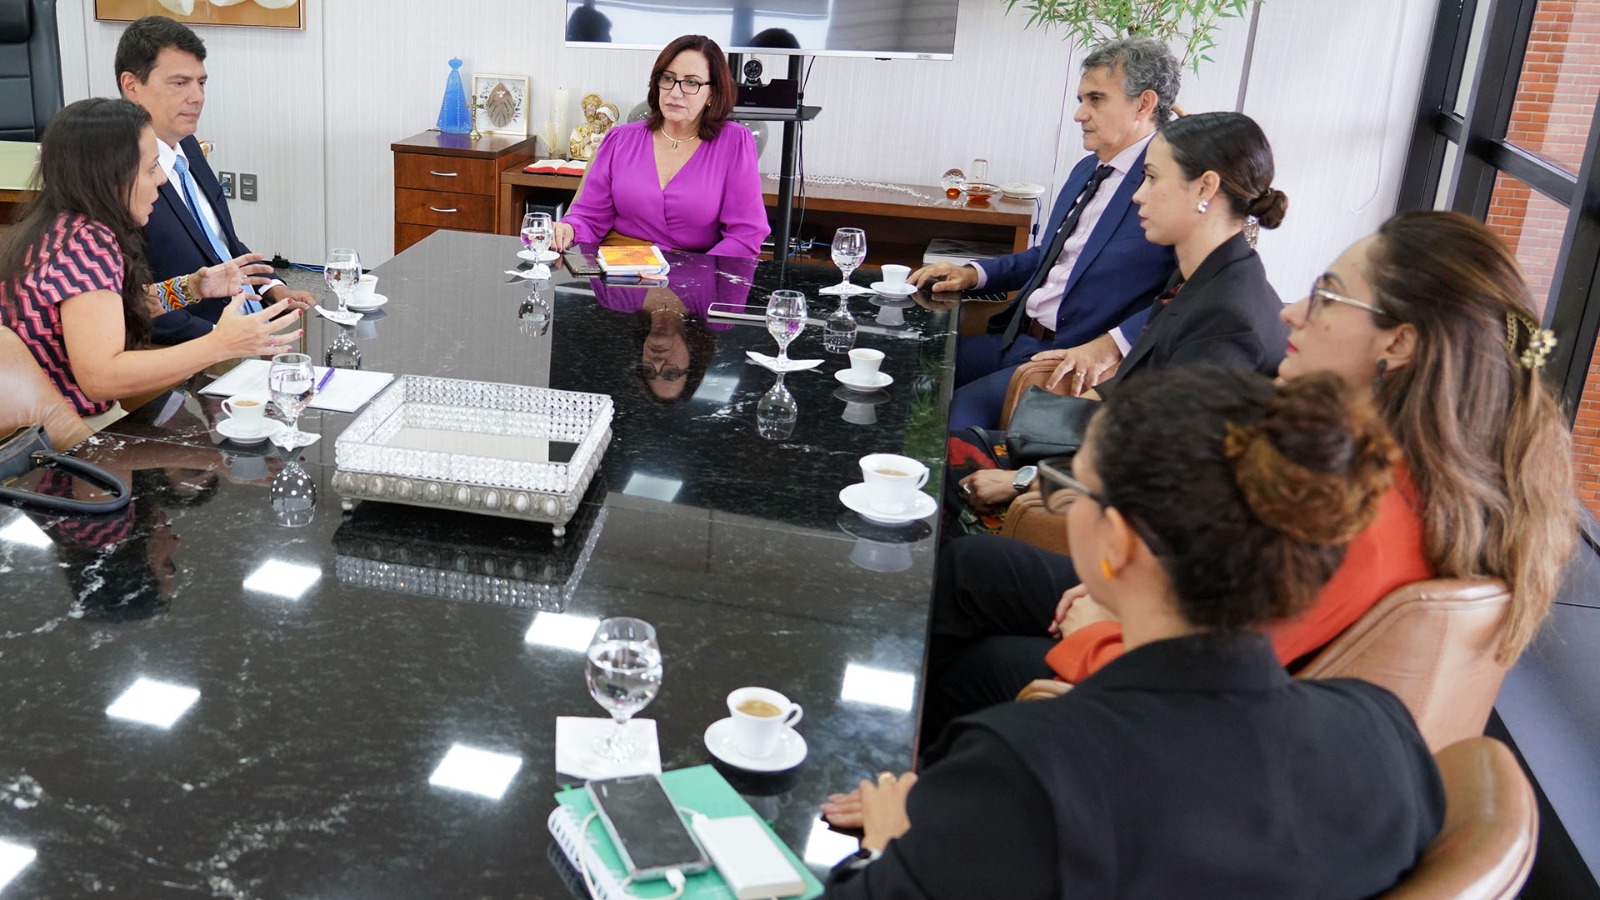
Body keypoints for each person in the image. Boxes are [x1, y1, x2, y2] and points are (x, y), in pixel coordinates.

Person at [924, 210, 1575, 736]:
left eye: (1327, 296)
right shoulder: (1408, 469)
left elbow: (1219, 677)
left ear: (1397, 343)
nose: (1291, 311)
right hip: (1183, 632)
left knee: (974, 659)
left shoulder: (1364, 511)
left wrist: (1101, 626)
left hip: (1171, 702)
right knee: (972, 571)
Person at [821, 365, 1444, 898]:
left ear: (1116, 542)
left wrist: (890, 841)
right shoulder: (1384, 733)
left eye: (1074, 487)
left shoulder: (1030, 770)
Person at [956, 110, 1289, 513]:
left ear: (1205, 187)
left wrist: (1026, 478)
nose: (1137, 195)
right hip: (1108, 451)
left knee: (955, 504)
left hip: (1143, 525)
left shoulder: (1229, 317)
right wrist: (1060, 415)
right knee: (956, 447)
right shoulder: (1205, 275)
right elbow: (1146, 386)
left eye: (1152, 178)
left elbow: (1171, 460)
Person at [913, 37, 1180, 431]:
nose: (1079, 114)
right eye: (1080, 99)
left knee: (952, 424)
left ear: (1144, 104)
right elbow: (1048, 257)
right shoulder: (1087, 170)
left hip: (1068, 363)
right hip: (1018, 340)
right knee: (908, 367)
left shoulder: (1168, 186)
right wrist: (974, 274)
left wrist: (1113, 345)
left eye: (1095, 99)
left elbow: (1186, 295)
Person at [0, 98, 296, 422]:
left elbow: (111, 312)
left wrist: (192, 287)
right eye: (152, 167)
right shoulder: (85, 245)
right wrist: (219, 344)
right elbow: (101, 376)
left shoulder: (63, 225)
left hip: (55, 419)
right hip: (63, 431)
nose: (163, 180)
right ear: (114, 177)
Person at [115, 15, 316, 346]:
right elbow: (126, 305)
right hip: (196, 350)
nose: (197, 97)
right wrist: (224, 340)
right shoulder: (119, 173)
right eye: (180, 83)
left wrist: (274, 289)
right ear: (132, 86)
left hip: (254, 326)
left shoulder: (188, 146)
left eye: (202, 83)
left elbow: (222, 244)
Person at [551, 34, 770, 258]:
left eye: (691, 82)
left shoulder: (735, 143)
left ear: (712, 92)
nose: (675, 92)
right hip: (620, 272)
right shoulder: (620, 139)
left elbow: (745, 236)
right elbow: (589, 216)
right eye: (668, 78)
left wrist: (696, 275)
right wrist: (569, 229)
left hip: (695, 278)